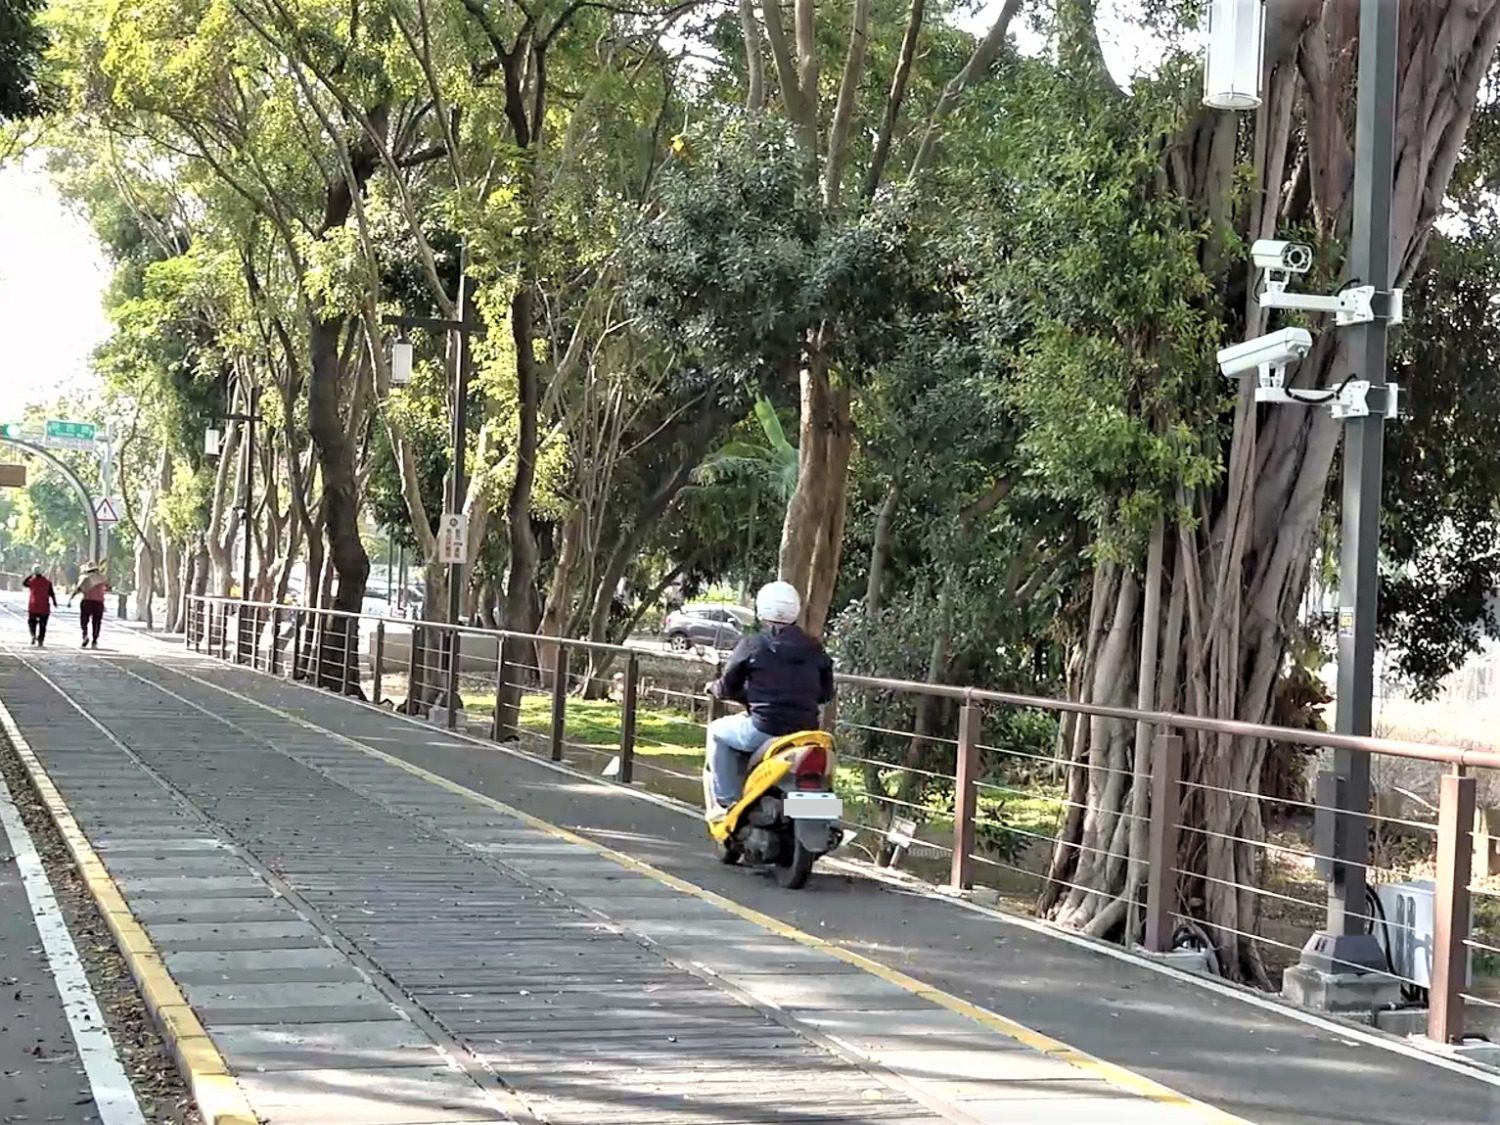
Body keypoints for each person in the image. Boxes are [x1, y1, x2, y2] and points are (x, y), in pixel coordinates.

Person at [704, 581, 833, 818]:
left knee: (716, 731)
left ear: (761, 609)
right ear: (795, 609)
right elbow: (825, 694)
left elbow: (728, 686)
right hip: (805, 732)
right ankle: (822, 813)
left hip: (764, 729)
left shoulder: (753, 643)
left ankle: (727, 805)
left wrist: (713, 688)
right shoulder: (815, 647)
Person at [69, 564, 109, 649]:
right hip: (99, 603)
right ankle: (94, 641)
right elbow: (108, 588)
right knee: (97, 623)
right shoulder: (102, 578)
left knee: (84, 621)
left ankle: (85, 635)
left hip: (87, 602)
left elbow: (78, 589)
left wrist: (71, 599)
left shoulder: (85, 578)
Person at [22, 565, 57, 647]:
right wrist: (55, 602)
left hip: (33, 606)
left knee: (31, 622)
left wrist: (31, 575)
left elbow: (24, 583)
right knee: (43, 625)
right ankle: (40, 640)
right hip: (44, 607)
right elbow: (51, 593)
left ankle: (33, 635)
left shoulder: (32, 581)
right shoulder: (47, 582)